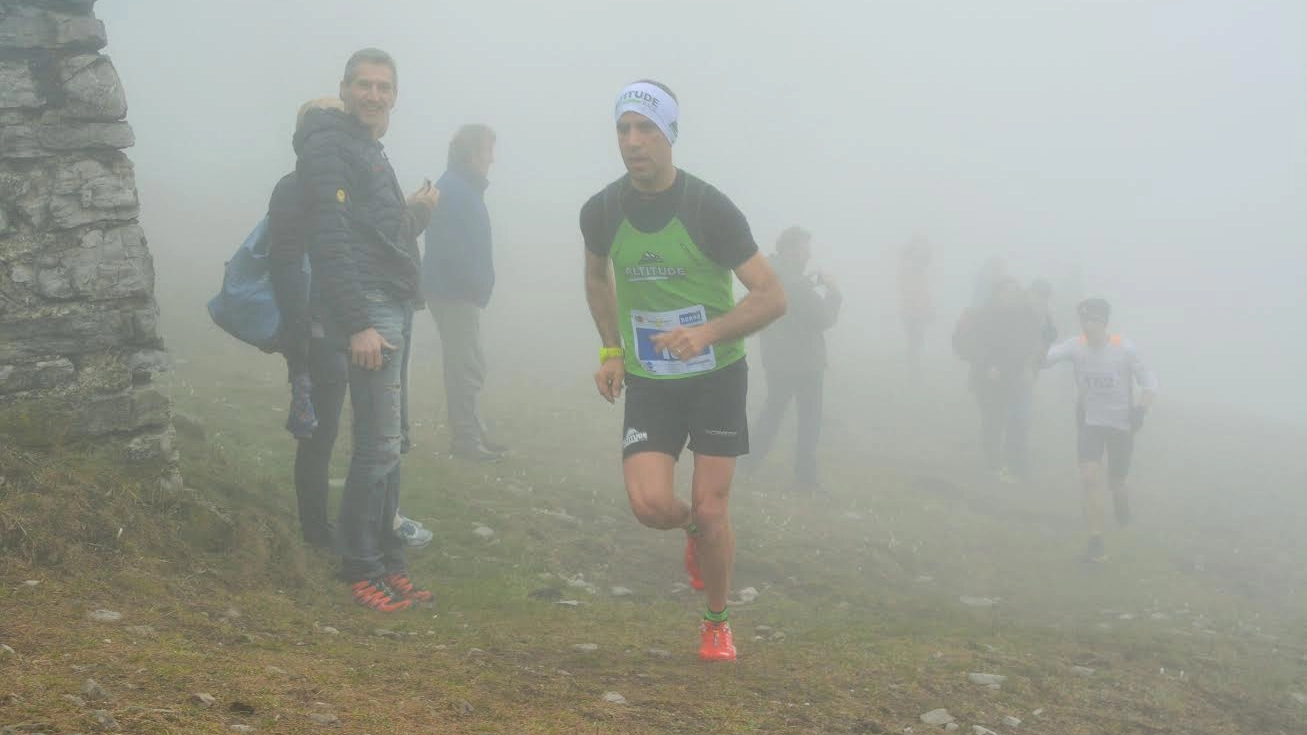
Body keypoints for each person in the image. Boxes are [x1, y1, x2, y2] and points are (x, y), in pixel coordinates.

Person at [581, 80, 786, 661]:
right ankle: (692, 530)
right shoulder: (600, 210)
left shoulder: (709, 208)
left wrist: (705, 332)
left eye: (646, 128)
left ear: (669, 133)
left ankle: (716, 621)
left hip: (716, 377)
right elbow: (597, 277)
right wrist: (611, 349)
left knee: (715, 507)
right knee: (650, 507)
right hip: (651, 382)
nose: (633, 141)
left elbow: (772, 296)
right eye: (623, 129)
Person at [297, 48, 439, 611]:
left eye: (383, 87)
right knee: (376, 446)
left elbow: (378, 234)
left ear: (395, 94)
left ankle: (388, 558)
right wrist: (357, 324)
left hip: (393, 305)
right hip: (369, 312)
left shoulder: (367, 147)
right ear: (345, 88)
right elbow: (330, 241)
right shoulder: (329, 145)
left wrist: (414, 215)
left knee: (390, 443)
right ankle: (360, 567)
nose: (374, 95)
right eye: (364, 85)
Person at [269, 97, 434, 553]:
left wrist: (414, 214)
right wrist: (299, 333)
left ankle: (371, 525)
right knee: (321, 433)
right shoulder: (294, 188)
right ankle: (318, 532)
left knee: (370, 431)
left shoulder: (332, 182)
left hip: (342, 316)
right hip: (319, 325)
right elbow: (286, 261)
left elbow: (377, 244)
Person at [1041, 298, 1157, 563]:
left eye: (1093, 321)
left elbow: (1150, 383)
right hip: (1090, 423)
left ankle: (1121, 501)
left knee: (1116, 483)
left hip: (1121, 425)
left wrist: (1141, 409)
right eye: (1084, 321)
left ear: (1104, 323)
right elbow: (1043, 360)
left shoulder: (1124, 349)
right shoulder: (1076, 346)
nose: (1087, 327)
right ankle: (1096, 541)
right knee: (1090, 477)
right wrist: (1042, 341)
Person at [422, 124, 507, 462]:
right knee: (465, 366)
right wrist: (475, 285)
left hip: (455, 291)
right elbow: (452, 247)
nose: (492, 160)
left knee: (469, 362)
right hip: (455, 292)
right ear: (473, 154)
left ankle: (474, 433)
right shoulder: (456, 191)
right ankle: (466, 441)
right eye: (488, 151)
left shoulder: (460, 188)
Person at [744, 226, 841, 493]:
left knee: (773, 411)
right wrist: (834, 293)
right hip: (804, 362)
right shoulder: (796, 284)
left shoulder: (770, 272)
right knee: (809, 418)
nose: (808, 255)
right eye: (804, 249)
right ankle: (805, 475)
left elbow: (789, 296)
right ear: (791, 249)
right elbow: (823, 318)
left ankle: (747, 465)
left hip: (776, 357)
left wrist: (809, 282)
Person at [968, 277, 1043, 482]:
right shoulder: (983, 316)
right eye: (1005, 292)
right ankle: (992, 464)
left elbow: (1033, 342)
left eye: (1013, 292)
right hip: (987, 377)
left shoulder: (1022, 317)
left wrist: (1031, 366)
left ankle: (1013, 465)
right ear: (997, 293)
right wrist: (987, 366)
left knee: (1014, 420)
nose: (1009, 296)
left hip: (1013, 375)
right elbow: (974, 343)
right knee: (993, 419)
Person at [897, 238, 933, 379]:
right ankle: (914, 372)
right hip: (912, 313)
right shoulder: (909, 270)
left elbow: (923, 293)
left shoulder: (914, 270)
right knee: (915, 342)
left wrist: (928, 309)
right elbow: (913, 294)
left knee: (916, 341)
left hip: (915, 312)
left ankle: (914, 370)